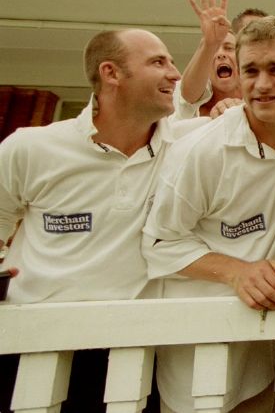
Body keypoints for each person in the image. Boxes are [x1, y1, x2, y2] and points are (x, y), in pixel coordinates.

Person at [0, 28, 181, 412]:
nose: (175, 73)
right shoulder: (29, 146)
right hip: (29, 348)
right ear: (111, 73)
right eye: (158, 62)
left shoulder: (186, 148)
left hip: (127, 357)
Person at [142, 17, 275, 412]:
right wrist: (238, 272)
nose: (262, 84)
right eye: (250, 70)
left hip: (265, 356)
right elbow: (158, 241)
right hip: (196, 357)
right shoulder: (202, 150)